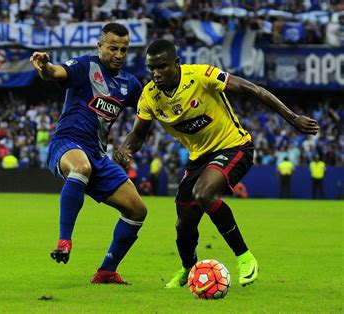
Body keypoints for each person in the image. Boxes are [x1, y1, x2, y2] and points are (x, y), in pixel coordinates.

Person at [114, 39, 319, 288]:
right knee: (184, 222)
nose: (156, 73)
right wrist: (125, 148)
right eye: (151, 68)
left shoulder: (201, 75)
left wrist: (292, 117)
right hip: (198, 157)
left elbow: (252, 89)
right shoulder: (150, 97)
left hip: (234, 146)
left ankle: (245, 257)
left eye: (162, 66)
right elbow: (138, 134)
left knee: (204, 194)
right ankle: (188, 269)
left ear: (177, 63)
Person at [29, 22, 148, 284]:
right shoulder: (85, 66)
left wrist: (127, 146)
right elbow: (55, 72)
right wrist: (45, 67)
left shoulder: (130, 84)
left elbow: (148, 112)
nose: (118, 54)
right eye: (113, 48)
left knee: (137, 210)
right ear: (100, 46)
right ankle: (64, 241)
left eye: (124, 49)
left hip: (97, 156)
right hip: (67, 144)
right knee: (81, 168)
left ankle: (106, 271)